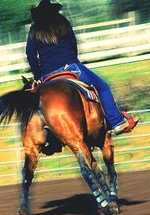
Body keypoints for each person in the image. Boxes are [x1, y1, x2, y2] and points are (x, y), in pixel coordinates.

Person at [26, 0, 138, 135]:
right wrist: (72, 60)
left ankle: (46, 134)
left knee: (39, 103)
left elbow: (30, 54)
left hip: (47, 74)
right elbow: (73, 45)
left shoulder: (34, 30)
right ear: (54, 11)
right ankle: (116, 122)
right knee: (103, 87)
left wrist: (38, 76)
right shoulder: (63, 23)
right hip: (71, 66)